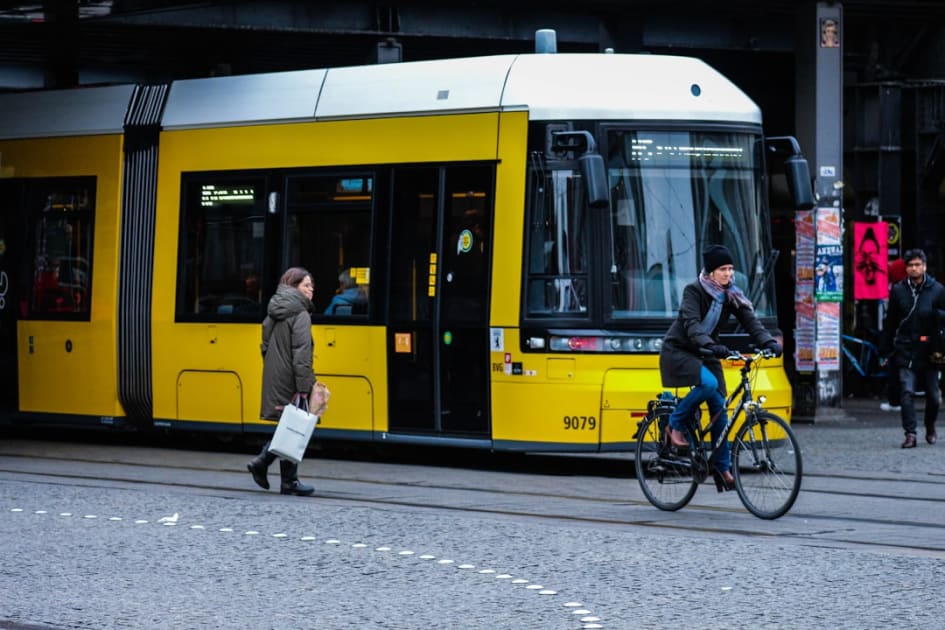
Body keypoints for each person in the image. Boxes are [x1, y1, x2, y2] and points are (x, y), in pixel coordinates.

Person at [659, 244, 782, 491]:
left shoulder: (731, 295)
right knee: (709, 384)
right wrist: (710, 344)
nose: (728, 274)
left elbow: (750, 322)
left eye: (730, 269)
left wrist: (768, 342)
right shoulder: (693, 291)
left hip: (706, 352)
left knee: (720, 408)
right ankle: (674, 425)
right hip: (680, 350)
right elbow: (692, 325)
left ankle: (721, 468)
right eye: (723, 269)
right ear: (711, 272)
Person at [246, 267, 318, 495]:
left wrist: (275, 366)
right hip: (292, 376)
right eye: (306, 285)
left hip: (276, 373)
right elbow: (301, 353)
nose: (311, 290)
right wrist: (304, 387)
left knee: (289, 424)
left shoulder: (274, 309)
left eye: (312, 285)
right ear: (294, 287)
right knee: (294, 426)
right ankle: (265, 464)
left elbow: (265, 344)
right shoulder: (300, 314)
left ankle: (287, 480)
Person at [881, 249, 945, 448]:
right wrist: (885, 350)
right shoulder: (898, 290)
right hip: (905, 349)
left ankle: (930, 426)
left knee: (933, 396)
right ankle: (910, 433)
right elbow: (891, 322)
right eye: (910, 265)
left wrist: (937, 320)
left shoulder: (937, 290)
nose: (914, 268)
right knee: (906, 392)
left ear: (924, 266)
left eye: (918, 264)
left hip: (930, 349)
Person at [880, 257, 907, 412]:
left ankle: (895, 401)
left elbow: (892, 319)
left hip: (899, 336)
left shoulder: (897, 290)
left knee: (896, 369)